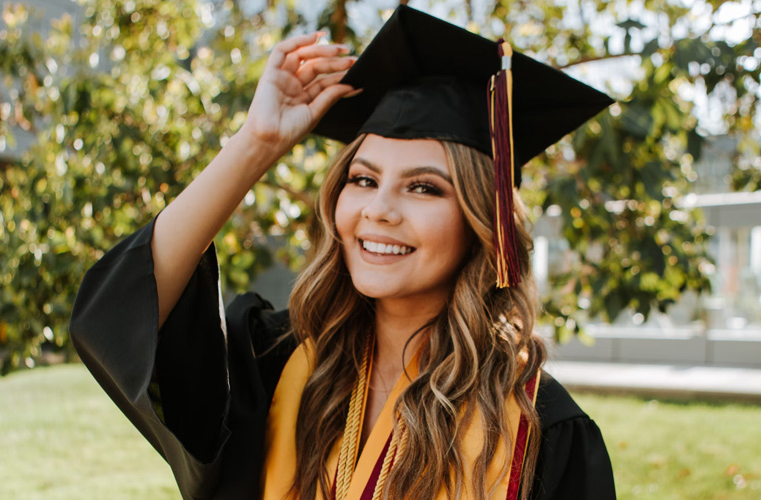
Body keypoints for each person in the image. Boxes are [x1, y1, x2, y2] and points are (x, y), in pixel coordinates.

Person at [70, 6, 616, 500]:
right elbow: (119, 315)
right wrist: (256, 143)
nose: (379, 209)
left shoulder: (541, 429)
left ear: (483, 221)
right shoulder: (279, 364)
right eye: (362, 179)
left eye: (424, 187)